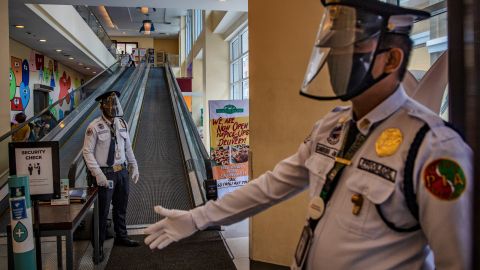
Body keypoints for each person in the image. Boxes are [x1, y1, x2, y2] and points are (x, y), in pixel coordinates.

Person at [144, 1, 472, 269]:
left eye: (350, 51)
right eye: (334, 51)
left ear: (392, 60)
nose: (336, 62)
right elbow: (270, 187)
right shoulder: (333, 126)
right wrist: (197, 218)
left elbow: (458, 260)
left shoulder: (434, 149)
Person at [83, 90, 140, 263]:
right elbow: (87, 152)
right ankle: (98, 247)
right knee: (102, 211)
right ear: (103, 107)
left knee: (121, 207)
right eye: (110, 105)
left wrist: (134, 165)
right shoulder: (94, 127)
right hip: (104, 174)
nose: (114, 108)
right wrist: (98, 174)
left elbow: (127, 147)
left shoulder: (122, 123)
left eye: (115, 104)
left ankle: (121, 236)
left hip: (121, 172)